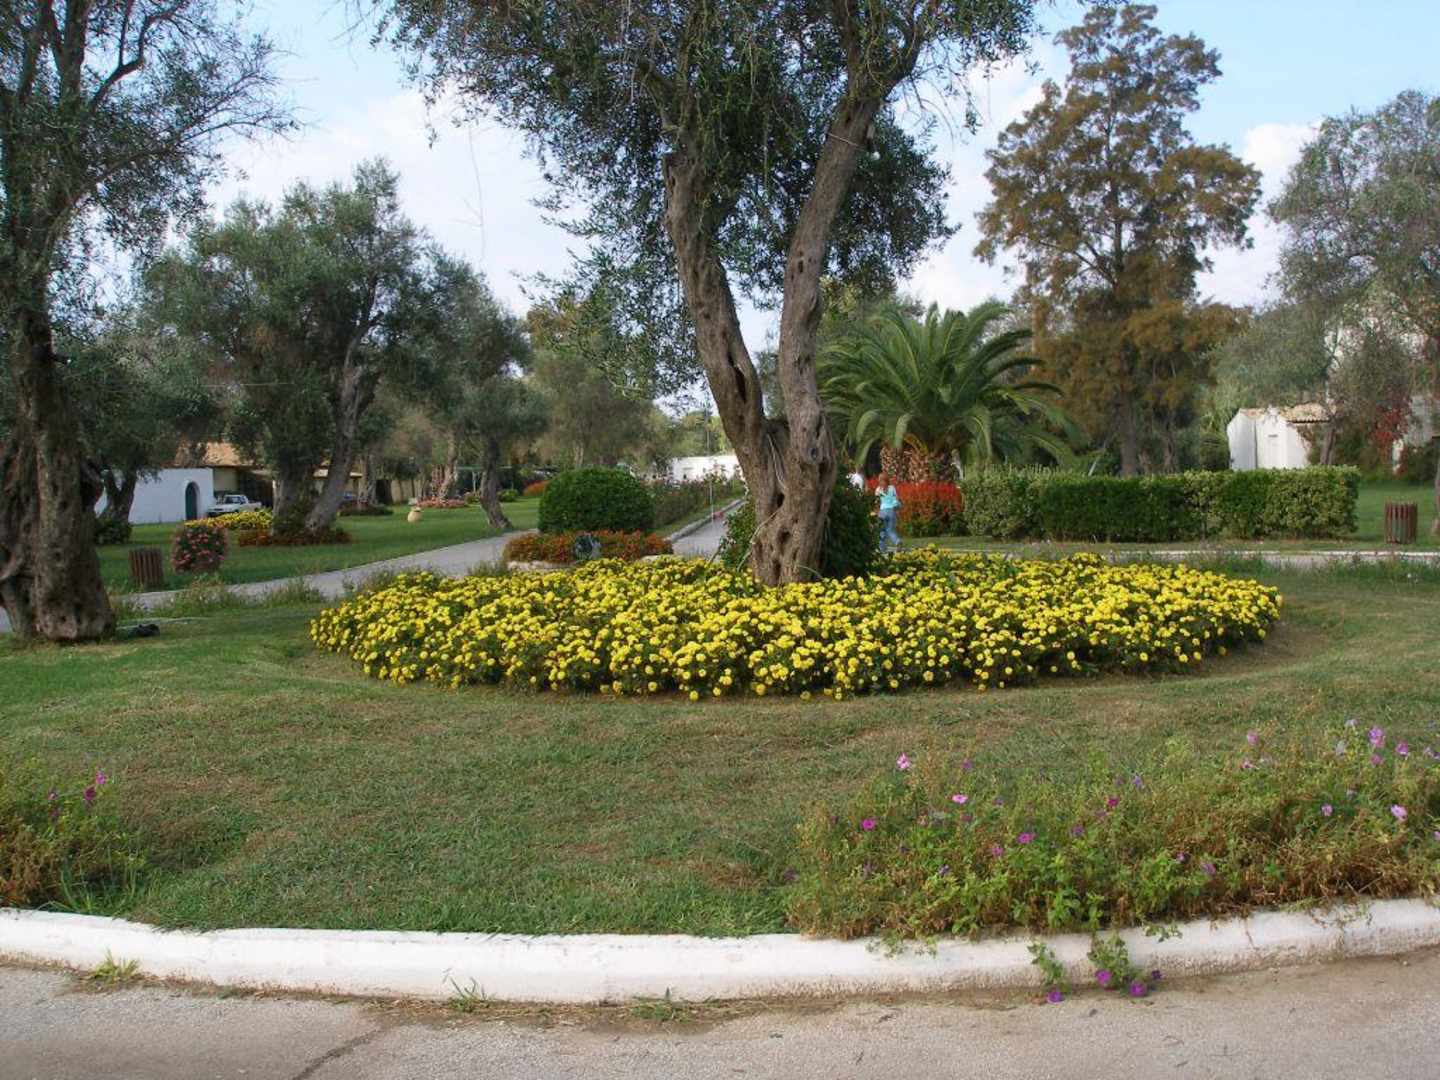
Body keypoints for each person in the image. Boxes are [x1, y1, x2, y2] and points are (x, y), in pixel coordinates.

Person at [875, 472, 901, 553]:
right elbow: (896, 498)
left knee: (881, 530)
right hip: (891, 511)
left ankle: (882, 548)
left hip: (882, 512)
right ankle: (897, 541)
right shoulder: (892, 488)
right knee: (890, 530)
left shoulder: (878, 490)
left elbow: (876, 502)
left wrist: (876, 512)